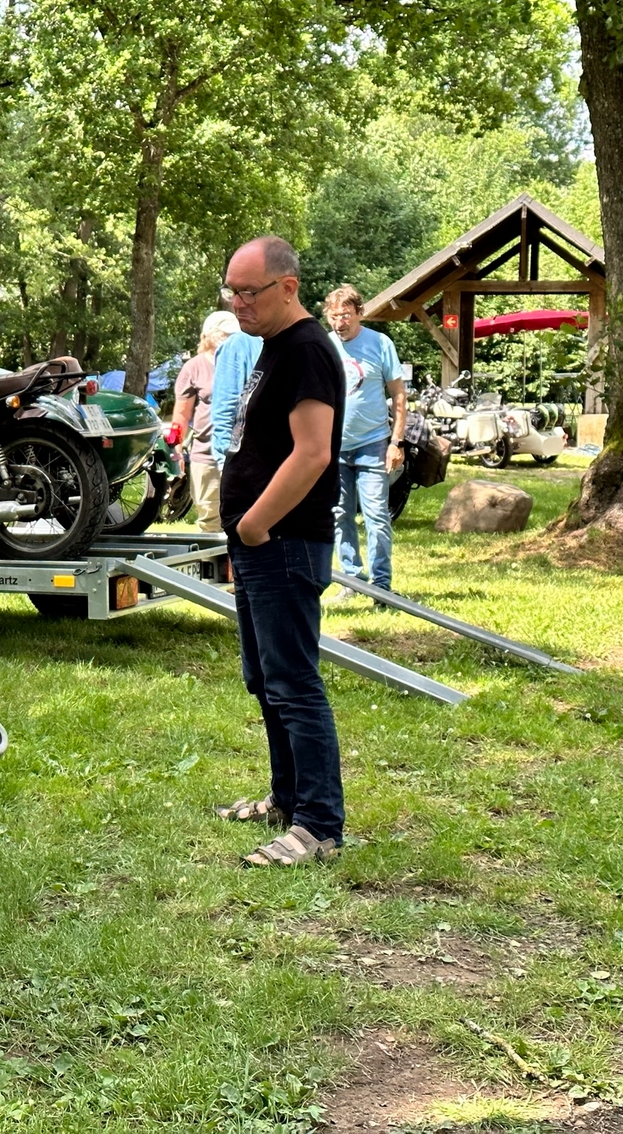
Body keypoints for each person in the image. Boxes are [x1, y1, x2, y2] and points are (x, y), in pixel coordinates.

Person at [211, 235, 346, 867]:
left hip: (284, 542)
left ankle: (318, 826)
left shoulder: (308, 349)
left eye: (249, 292)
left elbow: (313, 453)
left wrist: (255, 526)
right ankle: (287, 799)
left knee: (293, 684)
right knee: (267, 681)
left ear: (287, 287)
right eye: (231, 292)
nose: (238, 303)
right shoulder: (273, 346)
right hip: (261, 546)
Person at [324, 285, 406, 596]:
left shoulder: (380, 343)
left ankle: (381, 585)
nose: (340, 322)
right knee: (340, 515)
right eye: (334, 316)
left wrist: (396, 442)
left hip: (373, 443)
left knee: (376, 516)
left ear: (360, 313)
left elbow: (399, 395)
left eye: (346, 315)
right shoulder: (325, 346)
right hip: (334, 446)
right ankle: (352, 581)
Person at [171, 311, 238, 532]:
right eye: (226, 335)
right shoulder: (194, 367)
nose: (231, 340)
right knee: (211, 523)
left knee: (243, 520)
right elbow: (181, 415)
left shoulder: (243, 362)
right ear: (209, 335)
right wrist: (177, 449)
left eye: (234, 335)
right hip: (206, 455)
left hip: (242, 455)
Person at [209, 310, 262, 475]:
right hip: (248, 464)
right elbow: (225, 409)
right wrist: (225, 461)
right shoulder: (238, 345)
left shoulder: (292, 341)